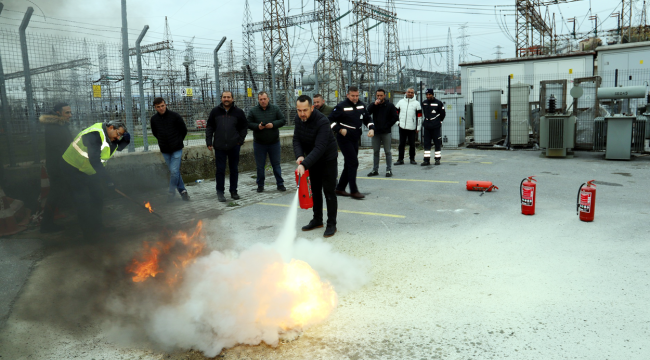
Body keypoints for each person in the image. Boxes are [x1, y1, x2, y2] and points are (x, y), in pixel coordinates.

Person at [60, 120, 130, 240]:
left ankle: (98, 227)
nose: (118, 137)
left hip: (89, 170)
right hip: (73, 168)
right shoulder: (94, 135)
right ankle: (88, 234)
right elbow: (94, 160)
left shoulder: (109, 136)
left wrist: (126, 140)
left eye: (120, 136)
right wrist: (108, 180)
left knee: (98, 197)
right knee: (83, 201)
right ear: (111, 127)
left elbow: (116, 148)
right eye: (118, 134)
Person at [294, 95, 338, 238]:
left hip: (327, 159)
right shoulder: (298, 119)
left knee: (329, 191)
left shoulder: (322, 121)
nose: (302, 114)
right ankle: (317, 220)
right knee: (315, 190)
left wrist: (305, 164)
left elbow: (320, 147)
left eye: (305, 110)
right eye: (299, 110)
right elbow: (296, 139)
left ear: (312, 107)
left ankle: (331, 224)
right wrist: (300, 155)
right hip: (313, 160)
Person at [329, 86, 374, 200]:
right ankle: (354, 190)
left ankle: (340, 188)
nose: (355, 98)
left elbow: (367, 119)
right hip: (344, 138)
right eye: (352, 95)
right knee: (353, 163)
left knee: (349, 164)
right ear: (347, 95)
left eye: (357, 95)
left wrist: (371, 128)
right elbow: (329, 121)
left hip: (355, 137)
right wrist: (339, 129)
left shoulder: (361, 105)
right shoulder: (341, 106)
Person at [205, 91, 248, 203]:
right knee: (220, 170)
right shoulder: (215, 112)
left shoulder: (238, 112)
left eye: (228, 97)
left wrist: (240, 141)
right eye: (224, 97)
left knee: (234, 169)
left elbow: (244, 127)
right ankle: (220, 193)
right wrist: (209, 141)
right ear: (221, 98)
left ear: (232, 99)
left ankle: (233, 191)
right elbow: (209, 127)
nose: (226, 99)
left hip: (234, 146)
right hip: (219, 146)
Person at [39, 102, 74, 233]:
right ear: (58, 113)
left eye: (70, 112)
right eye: (67, 113)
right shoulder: (54, 127)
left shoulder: (61, 125)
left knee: (68, 192)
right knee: (55, 194)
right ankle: (46, 224)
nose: (70, 115)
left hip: (63, 164)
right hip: (58, 166)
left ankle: (85, 220)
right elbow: (59, 149)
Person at [150, 97, 190, 201]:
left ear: (165, 105)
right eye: (158, 107)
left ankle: (171, 192)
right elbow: (155, 133)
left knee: (174, 171)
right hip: (165, 150)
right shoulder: (154, 119)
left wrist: (178, 141)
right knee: (174, 172)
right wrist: (162, 141)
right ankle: (183, 191)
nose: (161, 108)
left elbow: (183, 130)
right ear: (155, 108)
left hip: (176, 148)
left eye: (162, 106)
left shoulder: (175, 116)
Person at [247, 91, 286, 193]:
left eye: (264, 99)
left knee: (276, 164)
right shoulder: (253, 111)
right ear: (258, 100)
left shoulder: (275, 109)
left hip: (274, 143)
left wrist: (273, 124)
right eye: (261, 99)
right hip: (259, 144)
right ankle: (260, 185)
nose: (263, 101)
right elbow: (248, 123)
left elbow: (282, 120)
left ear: (268, 99)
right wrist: (257, 126)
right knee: (260, 166)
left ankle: (280, 184)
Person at [366, 89, 398, 178]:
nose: (379, 97)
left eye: (381, 95)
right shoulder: (374, 105)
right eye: (377, 96)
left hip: (386, 132)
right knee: (376, 151)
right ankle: (375, 169)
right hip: (376, 132)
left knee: (387, 151)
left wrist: (387, 125)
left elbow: (395, 117)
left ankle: (388, 169)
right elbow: (367, 113)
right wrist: (373, 104)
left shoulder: (390, 106)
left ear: (384, 95)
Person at [394, 88, 422, 165]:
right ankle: (400, 159)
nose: (410, 94)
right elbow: (394, 113)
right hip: (402, 126)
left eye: (412, 92)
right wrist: (397, 123)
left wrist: (418, 127)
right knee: (401, 144)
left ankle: (412, 159)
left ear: (414, 94)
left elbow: (419, 116)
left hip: (412, 127)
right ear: (406, 92)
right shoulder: (400, 102)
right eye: (409, 92)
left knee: (412, 144)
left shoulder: (417, 103)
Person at [420, 89, 446, 166]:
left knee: (437, 143)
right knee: (426, 143)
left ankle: (437, 159)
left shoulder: (438, 103)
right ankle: (426, 160)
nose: (428, 96)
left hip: (436, 126)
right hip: (427, 126)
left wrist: (439, 121)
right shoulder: (424, 103)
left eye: (429, 94)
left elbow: (443, 114)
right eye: (427, 95)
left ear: (432, 94)